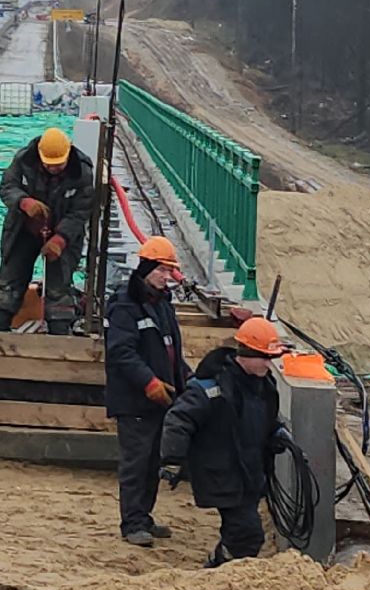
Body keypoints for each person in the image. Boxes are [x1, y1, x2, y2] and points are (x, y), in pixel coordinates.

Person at [161, 316, 293, 567]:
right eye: (264, 357)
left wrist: (277, 433)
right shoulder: (212, 388)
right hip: (223, 473)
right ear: (246, 353)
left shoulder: (264, 386)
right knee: (248, 536)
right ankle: (218, 569)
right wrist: (172, 460)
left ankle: (220, 566)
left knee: (240, 533)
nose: (269, 364)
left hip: (250, 473)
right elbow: (179, 420)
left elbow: (267, 419)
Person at [104, 236, 190, 547]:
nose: (168, 277)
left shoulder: (162, 304)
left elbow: (170, 349)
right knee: (135, 463)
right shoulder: (126, 307)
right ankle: (132, 523)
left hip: (160, 400)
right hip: (134, 401)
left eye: (171, 272)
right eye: (163, 271)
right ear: (147, 268)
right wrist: (148, 382)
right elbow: (121, 353)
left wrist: (185, 380)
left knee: (153, 461)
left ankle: (144, 516)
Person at [0, 127, 94, 334]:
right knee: (11, 280)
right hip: (23, 231)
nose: (53, 169)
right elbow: (7, 186)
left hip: (61, 233)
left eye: (58, 165)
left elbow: (80, 212)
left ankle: (59, 335)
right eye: (48, 164)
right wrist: (23, 202)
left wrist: (61, 239)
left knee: (59, 286)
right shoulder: (23, 160)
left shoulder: (81, 172)